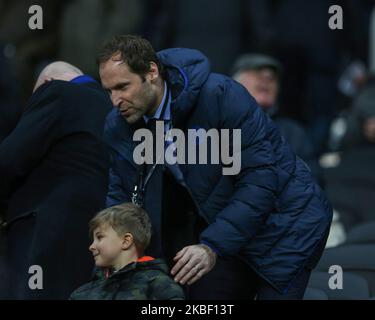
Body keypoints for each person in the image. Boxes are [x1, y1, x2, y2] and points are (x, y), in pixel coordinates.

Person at [99, 35, 333, 299]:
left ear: (151, 72)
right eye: (109, 91)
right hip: (221, 228)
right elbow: (122, 197)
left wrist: (212, 246)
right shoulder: (120, 125)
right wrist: (113, 253)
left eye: (122, 87)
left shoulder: (220, 95)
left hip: (285, 225)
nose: (115, 100)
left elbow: (260, 179)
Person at [0, 61, 112, 299]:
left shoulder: (58, 92)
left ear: (47, 83)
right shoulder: (113, 110)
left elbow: (10, 158)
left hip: (42, 232)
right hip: (92, 240)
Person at [232, 53, 323, 186]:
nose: (267, 78)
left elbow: (312, 180)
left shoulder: (292, 132)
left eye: (273, 77)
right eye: (257, 72)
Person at [70, 202, 185, 300]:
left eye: (99, 237)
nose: (91, 246)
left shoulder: (160, 287)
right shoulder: (82, 294)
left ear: (126, 241)